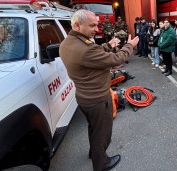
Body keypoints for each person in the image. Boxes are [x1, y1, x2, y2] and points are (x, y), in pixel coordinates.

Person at [59, 9, 139, 171]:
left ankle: (95, 153)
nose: (97, 29)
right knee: (102, 133)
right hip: (97, 99)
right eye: (93, 25)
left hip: (84, 97)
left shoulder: (68, 42)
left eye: (97, 25)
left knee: (94, 128)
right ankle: (101, 163)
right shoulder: (85, 48)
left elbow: (93, 53)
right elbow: (117, 59)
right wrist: (129, 46)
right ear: (77, 25)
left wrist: (108, 45)